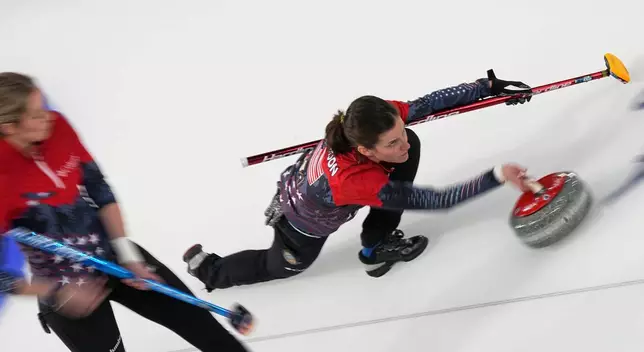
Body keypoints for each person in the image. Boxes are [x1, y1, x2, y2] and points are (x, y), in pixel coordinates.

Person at [0, 72, 288, 352]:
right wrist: (56, 292)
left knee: (213, 336)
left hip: (115, 257)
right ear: (9, 126)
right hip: (67, 289)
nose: (48, 119)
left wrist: (129, 256)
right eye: (36, 115)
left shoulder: (58, 128)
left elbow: (100, 191)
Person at [184, 70, 534, 291]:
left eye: (398, 134)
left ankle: (375, 243)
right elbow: (435, 200)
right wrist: (498, 176)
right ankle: (211, 271)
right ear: (365, 150)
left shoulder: (373, 118)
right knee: (280, 266)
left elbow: (427, 104)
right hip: (301, 223)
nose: (402, 145)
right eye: (391, 143)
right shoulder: (357, 181)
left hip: (317, 182)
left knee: (411, 148)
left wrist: (485, 87)